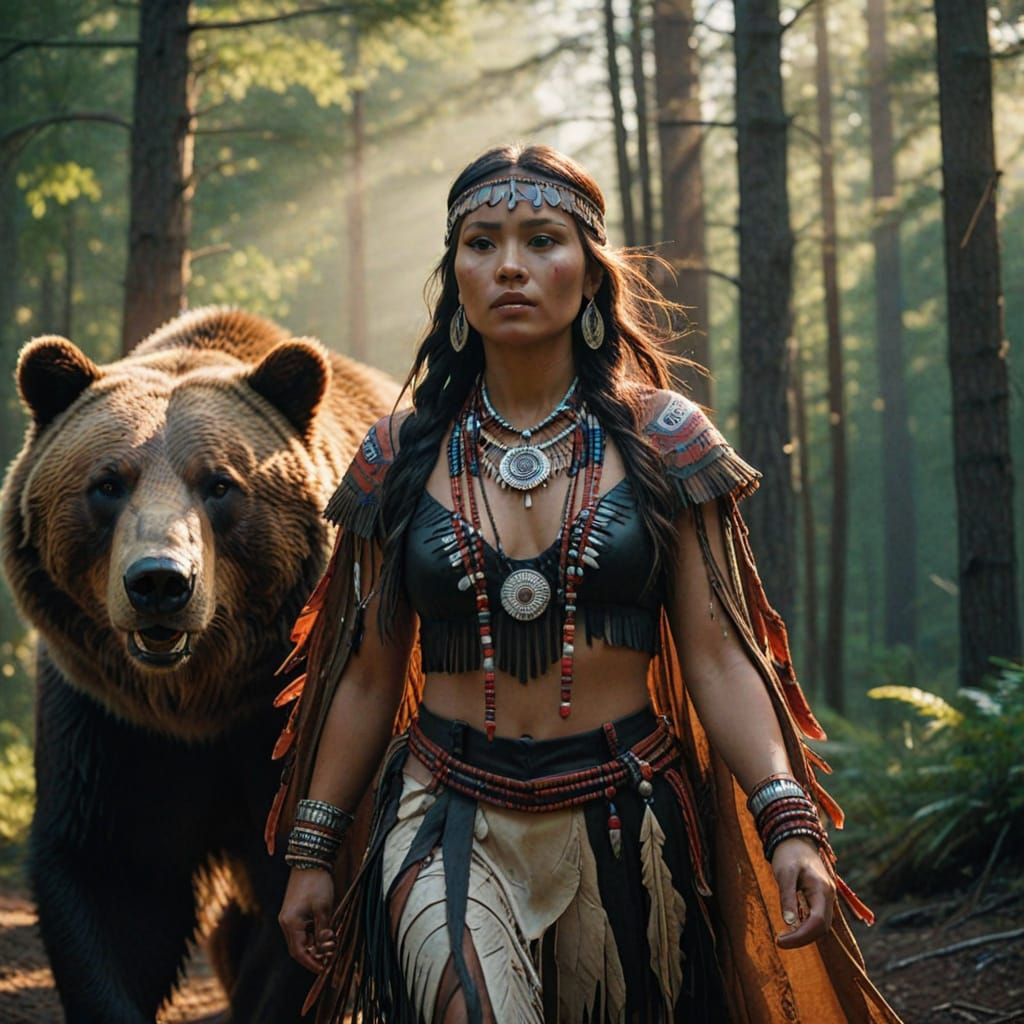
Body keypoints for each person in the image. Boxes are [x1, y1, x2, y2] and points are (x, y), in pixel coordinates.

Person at [270, 144, 900, 1023]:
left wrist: (785, 818)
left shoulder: (666, 441)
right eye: (482, 244)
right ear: (455, 275)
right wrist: (315, 845)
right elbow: (369, 675)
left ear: (592, 270)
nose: (512, 267)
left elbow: (721, 658)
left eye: (543, 239)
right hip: (443, 813)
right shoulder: (400, 455)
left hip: (629, 822)